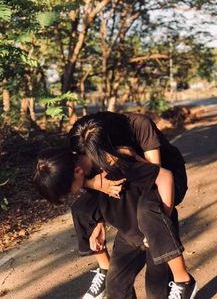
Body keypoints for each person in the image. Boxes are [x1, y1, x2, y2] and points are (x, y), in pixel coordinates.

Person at [35, 145, 198, 299]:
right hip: (128, 234)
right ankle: (104, 269)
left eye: (69, 191)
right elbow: (99, 201)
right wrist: (99, 223)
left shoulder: (117, 161)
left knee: (157, 293)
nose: (73, 193)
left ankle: (184, 282)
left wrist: (160, 224)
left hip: (154, 233)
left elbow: (162, 177)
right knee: (116, 289)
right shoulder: (84, 174)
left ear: (77, 171)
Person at [69, 111, 189, 297]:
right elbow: (82, 177)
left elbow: (157, 178)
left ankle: (181, 279)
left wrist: (158, 226)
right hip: (134, 182)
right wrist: (99, 218)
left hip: (166, 180)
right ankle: (106, 269)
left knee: (156, 287)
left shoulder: (139, 125)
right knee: (81, 209)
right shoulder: (82, 139)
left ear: (111, 143)